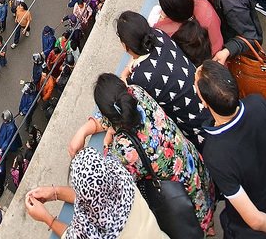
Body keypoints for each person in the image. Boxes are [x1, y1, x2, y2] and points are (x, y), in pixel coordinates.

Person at [68, 72, 215, 233]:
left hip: (186, 204)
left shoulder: (124, 151)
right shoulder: (137, 93)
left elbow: (108, 184)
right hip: (198, 173)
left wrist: (106, 145)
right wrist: (85, 131)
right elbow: (114, 114)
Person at [196, 60, 266, 239]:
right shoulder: (259, 104)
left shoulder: (214, 152)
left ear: (204, 101)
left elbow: (255, 220)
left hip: (249, 231)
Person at [25, 146, 168, 239]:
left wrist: (47, 218)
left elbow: (71, 236)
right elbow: (97, 196)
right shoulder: (121, 176)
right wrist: (55, 193)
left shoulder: (89, 232)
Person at [116, 10, 212, 146]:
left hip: (198, 131)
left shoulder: (139, 79)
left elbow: (128, 92)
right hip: (210, 101)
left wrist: (124, 76)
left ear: (126, 46)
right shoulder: (159, 35)